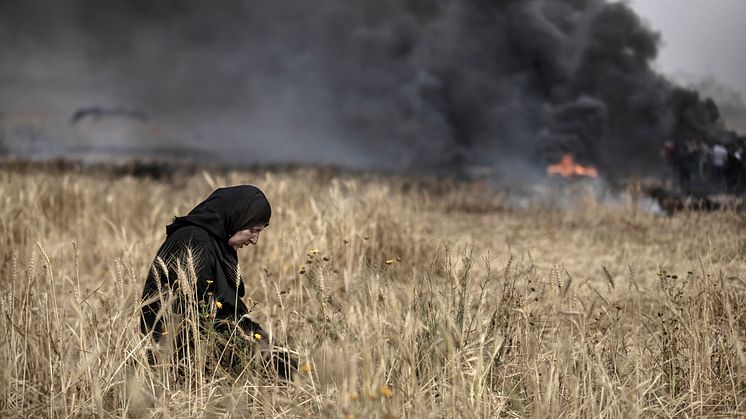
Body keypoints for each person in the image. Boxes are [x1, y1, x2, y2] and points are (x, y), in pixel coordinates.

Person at [140, 185, 295, 378]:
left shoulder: (216, 243)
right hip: (178, 355)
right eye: (253, 230)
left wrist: (260, 337)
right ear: (236, 218)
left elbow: (224, 312)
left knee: (286, 363)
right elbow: (200, 313)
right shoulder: (193, 240)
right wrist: (252, 347)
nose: (255, 240)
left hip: (206, 342)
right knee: (282, 369)